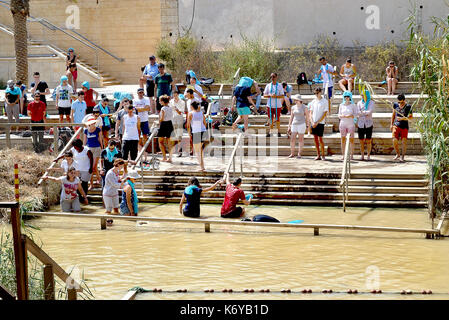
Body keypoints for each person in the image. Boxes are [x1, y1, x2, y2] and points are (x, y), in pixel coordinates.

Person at [186, 101, 209, 171]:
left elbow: (188, 125)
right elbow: (205, 123)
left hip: (196, 132)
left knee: (197, 151)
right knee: (201, 150)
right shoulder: (201, 113)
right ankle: (202, 165)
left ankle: (202, 166)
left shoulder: (190, 113)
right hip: (203, 131)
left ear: (192, 106)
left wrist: (189, 133)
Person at [103, 159, 126, 225]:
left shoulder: (117, 171)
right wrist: (123, 184)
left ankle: (116, 222)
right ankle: (107, 222)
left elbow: (117, 180)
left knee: (116, 208)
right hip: (108, 193)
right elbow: (114, 184)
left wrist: (122, 179)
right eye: (121, 166)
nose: (121, 168)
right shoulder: (110, 173)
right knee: (108, 209)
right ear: (118, 165)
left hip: (114, 192)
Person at [391, 94, 412, 162]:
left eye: (401, 102)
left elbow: (411, 117)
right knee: (394, 140)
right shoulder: (395, 105)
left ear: (404, 100)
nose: (400, 103)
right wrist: (391, 124)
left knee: (404, 142)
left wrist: (402, 118)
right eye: (399, 102)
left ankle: (402, 156)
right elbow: (393, 114)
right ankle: (398, 153)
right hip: (396, 125)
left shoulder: (408, 106)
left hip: (404, 125)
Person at [308, 87, 328, 160]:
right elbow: (310, 113)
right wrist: (312, 122)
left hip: (320, 123)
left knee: (320, 140)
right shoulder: (313, 101)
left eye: (317, 93)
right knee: (315, 139)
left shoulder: (325, 101)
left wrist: (317, 122)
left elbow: (324, 113)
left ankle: (323, 155)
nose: (316, 95)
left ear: (320, 92)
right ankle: (318, 155)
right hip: (313, 122)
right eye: (315, 93)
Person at [84, 117, 104, 190]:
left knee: (93, 166)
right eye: (91, 123)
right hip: (89, 148)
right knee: (92, 167)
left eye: (93, 123)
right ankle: (97, 179)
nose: (93, 124)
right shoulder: (86, 130)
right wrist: (83, 148)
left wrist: (102, 146)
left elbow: (100, 138)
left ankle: (93, 182)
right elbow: (85, 140)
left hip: (97, 148)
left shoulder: (98, 129)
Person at [287, 94, 310, 159]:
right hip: (294, 124)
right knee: (292, 139)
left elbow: (307, 117)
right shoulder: (293, 107)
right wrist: (289, 126)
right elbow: (291, 117)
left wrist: (307, 125)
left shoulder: (304, 107)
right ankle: (292, 153)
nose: (295, 101)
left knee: (301, 139)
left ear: (299, 100)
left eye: (296, 100)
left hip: (302, 124)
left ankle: (299, 153)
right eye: (295, 100)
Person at [263, 73, 285, 137]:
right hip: (270, 105)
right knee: (270, 119)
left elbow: (282, 95)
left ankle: (278, 132)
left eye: (274, 76)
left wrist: (276, 96)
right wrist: (270, 95)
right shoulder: (268, 85)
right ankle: (270, 132)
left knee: (277, 119)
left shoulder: (279, 85)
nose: (272, 78)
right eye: (271, 77)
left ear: (276, 77)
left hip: (277, 105)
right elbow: (264, 95)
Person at [338, 91, 358, 160]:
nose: (346, 98)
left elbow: (356, 114)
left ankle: (352, 154)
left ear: (350, 97)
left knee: (351, 140)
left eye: (348, 96)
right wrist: (342, 116)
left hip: (350, 123)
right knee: (343, 139)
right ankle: (343, 154)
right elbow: (339, 115)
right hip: (343, 123)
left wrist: (351, 115)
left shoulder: (353, 105)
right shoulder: (341, 105)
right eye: (345, 97)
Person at [357, 90, 375, 161]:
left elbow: (369, 112)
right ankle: (362, 155)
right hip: (361, 124)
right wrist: (364, 113)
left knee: (368, 140)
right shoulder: (359, 103)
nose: (362, 97)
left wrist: (362, 112)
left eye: (363, 95)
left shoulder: (371, 102)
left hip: (368, 123)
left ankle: (368, 155)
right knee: (361, 140)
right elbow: (357, 112)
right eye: (361, 95)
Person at [157, 95, 175, 163]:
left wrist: (158, 122)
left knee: (160, 142)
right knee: (169, 143)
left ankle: (164, 157)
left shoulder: (163, 108)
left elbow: (162, 118)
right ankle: (170, 158)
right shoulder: (170, 108)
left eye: (160, 100)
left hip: (164, 124)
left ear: (163, 101)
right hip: (170, 124)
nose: (159, 102)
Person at [169, 89, 186, 157]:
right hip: (173, 119)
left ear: (178, 95)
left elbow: (180, 112)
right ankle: (175, 150)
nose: (175, 97)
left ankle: (180, 151)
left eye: (176, 95)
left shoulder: (182, 102)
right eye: (174, 95)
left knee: (179, 135)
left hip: (179, 119)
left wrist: (176, 109)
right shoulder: (171, 102)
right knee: (174, 135)